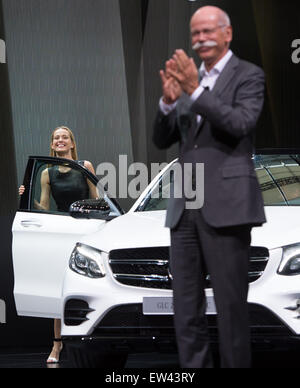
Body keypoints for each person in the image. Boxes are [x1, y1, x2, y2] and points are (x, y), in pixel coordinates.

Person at [153, 6, 266, 368]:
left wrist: (194, 89)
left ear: (227, 34)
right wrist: (169, 102)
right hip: (184, 209)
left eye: (207, 32)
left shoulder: (248, 75)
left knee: (231, 310)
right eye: (195, 33)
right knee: (186, 311)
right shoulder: (188, 79)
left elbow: (239, 123)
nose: (200, 39)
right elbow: (160, 140)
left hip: (228, 206)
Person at [19, 126, 97, 364]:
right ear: (52, 145)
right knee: (59, 289)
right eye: (56, 138)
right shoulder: (47, 173)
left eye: (65, 137)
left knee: (90, 288)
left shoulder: (85, 166)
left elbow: (96, 198)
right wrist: (26, 196)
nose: (60, 140)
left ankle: (92, 341)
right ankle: (57, 345)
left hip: (86, 230)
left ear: (72, 143)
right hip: (62, 231)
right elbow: (44, 206)